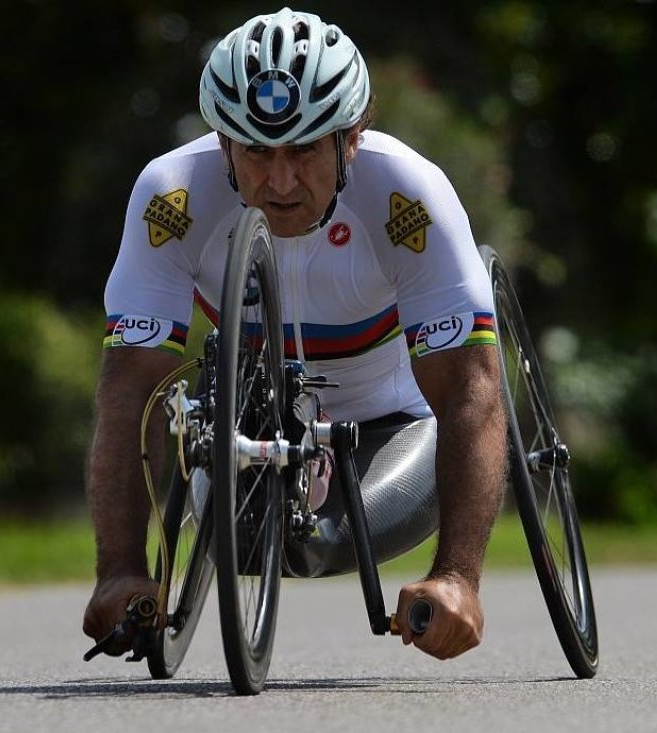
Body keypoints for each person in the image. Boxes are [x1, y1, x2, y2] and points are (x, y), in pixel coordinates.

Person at [83, 7, 506, 662]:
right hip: (252, 421)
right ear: (222, 141)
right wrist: (119, 568)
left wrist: (459, 576)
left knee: (325, 544)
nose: (279, 183)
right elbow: (128, 391)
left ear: (352, 138)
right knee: (249, 534)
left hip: (394, 421)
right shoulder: (173, 196)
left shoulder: (408, 194)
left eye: (305, 149)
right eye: (255, 150)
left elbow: (469, 393)